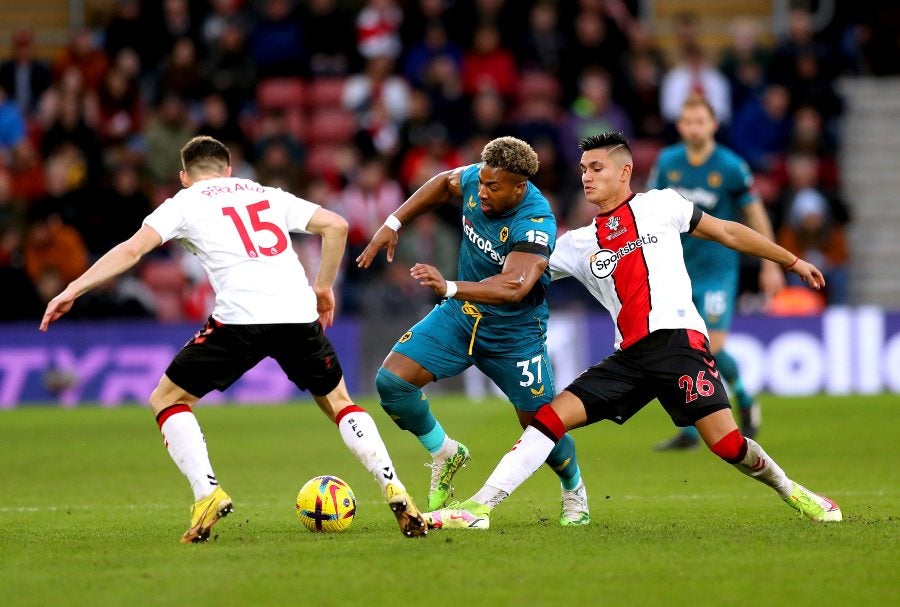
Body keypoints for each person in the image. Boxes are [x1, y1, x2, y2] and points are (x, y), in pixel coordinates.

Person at [423, 132, 841, 530]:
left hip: (679, 344)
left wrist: (790, 262)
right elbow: (517, 277)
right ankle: (480, 507)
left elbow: (728, 231)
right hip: (629, 357)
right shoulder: (575, 244)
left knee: (728, 446)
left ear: (624, 172)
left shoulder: (662, 205)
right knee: (548, 418)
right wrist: (467, 272)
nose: (586, 176)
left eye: (597, 168)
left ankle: (795, 492)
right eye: (583, 169)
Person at [39, 136, 427, 542]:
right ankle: (393, 485)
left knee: (167, 399)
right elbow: (337, 225)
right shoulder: (264, 192)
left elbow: (132, 251)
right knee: (340, 403)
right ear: (228, 169)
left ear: (184, 176)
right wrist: (323, 287)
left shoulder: (184, 202)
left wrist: (73, 289)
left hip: (241, 319)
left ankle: (207, 493)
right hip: (297, 313)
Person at [356, 136, 590, 525]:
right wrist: (393, 222)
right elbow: (444, 182)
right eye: (480, 181)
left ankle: (574, 489)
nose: (480, 191)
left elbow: (515, 286)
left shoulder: (535, 220)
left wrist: (449, 286)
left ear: (519, 187)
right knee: (392, 384)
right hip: (461, 317)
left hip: (514, 335)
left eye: (492, 187)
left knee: (541, 424)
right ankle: (445, 452)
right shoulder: (475, 182)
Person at [647, 95, 784, 450]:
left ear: (712, 125)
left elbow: (754, 215)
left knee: (711, 346)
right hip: (674, 269)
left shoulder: (731, 167)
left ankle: (745, 400)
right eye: (687, 121)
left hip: (717, 271)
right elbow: (648, 209)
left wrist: (771, 263)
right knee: (678, 347)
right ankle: (691, 431)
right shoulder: (667, 162)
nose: (693, 127)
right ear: (680, 126)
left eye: (700, 121)